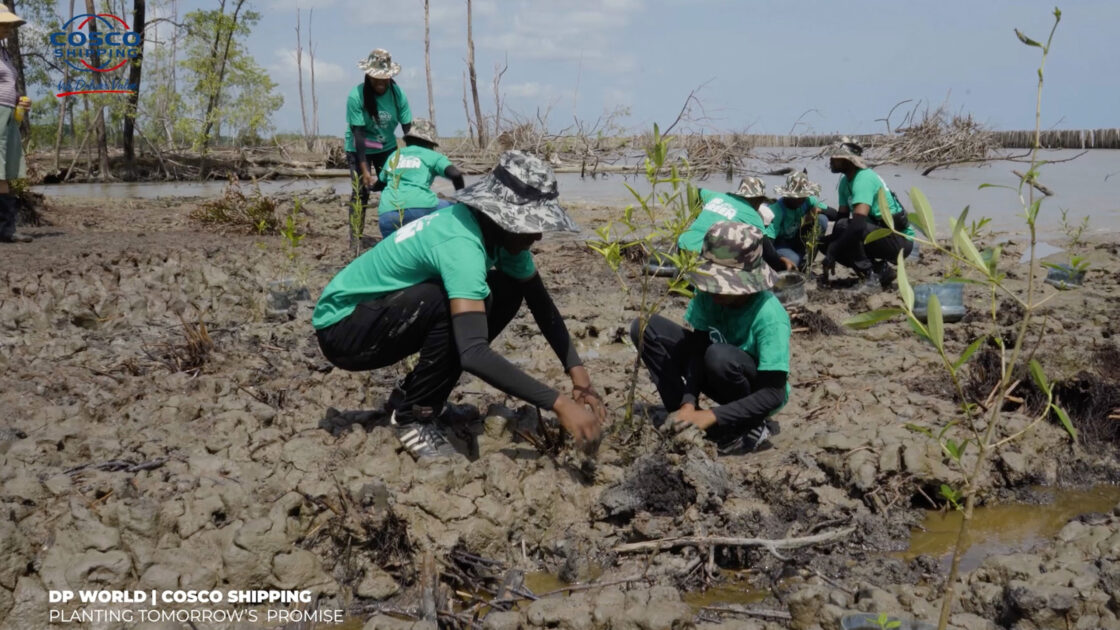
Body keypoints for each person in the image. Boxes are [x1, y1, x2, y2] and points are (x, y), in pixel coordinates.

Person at [313, 151, 606, 460]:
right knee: (449, 300)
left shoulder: (499, 236)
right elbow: (473, 353)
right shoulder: (461, 244)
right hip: (343, 329)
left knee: (506, 290)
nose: (538, 235)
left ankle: (410, 394)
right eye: (532, 223)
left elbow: (541, 304)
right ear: (503, 217)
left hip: (381, 314)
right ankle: (414, 417)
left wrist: (580, 377)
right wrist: (559, 404)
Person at [632, 221, 791, 454]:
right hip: (715, 368)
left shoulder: (769, 315)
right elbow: (697, 348)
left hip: (755, 391)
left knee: (718, 355)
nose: (713, 289)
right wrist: (688, 403)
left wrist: (712, 414)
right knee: (645, 327)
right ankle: (684, 418)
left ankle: (749, 425)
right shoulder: (709, 296)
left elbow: (774, 394)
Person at [822, 140, 915, 289]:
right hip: (877, 233)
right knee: (826, 242)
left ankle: (870, 277)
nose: (830, 160)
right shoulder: (845, 183)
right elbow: (841, 219)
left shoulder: (863, 179)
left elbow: (857, 225)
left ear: (848, 160)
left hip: (899, 240)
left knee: (847, 229)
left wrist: (834, 249)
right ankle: (880, 270)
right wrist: (830, 251)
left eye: (835, 157)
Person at [345, 48, 412, 247]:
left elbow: (408, 129)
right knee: (361, 192)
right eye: (376, 78)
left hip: (386, 147)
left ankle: (395, 237)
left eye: (385, 78)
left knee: (393, 188)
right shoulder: (356, 96)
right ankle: (355, 241)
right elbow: (358, 136)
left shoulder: (398, 95)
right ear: (368, 76)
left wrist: (414, 158)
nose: (381, 82)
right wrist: (365, 170)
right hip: (359, 146)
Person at [678, 177, 791, 272]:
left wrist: (696, 215)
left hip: (682, 248)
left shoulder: (716, 196)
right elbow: (769, 255)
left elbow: (696, 190)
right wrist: (782, 263)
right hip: (703, 257)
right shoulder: (753, 216)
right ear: (758, 200)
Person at [377, 118, 465, 238]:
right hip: (420, 208)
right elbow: (456, 175)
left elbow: (380, 183)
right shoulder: (433, 155)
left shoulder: (394, 155)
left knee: (394, 250)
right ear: (430, 143)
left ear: (408, 140)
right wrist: (461, 200)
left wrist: (369, 187)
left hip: (387, 214)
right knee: (459, 212)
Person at [0, 4, 31, 244]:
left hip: (10, 113)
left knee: (8, 170)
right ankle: (6, 229)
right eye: (4, 24)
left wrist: (18, 99)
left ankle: (7, 228)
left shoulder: (5, 53)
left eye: (10, 24)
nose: (9, 28)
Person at [767, 171, 830, 271]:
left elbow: (834, 213)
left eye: (802, 197)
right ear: (787, 195)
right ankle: (797, 261)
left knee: (822, 219)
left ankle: (806, 263)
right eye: (795, 197)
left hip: (798, 240)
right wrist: (780, 258)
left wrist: (817, 211)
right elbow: (767, 244)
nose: (800, 200)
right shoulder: (776, 211)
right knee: (793, 260)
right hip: (780, 245)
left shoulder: (808, 201)